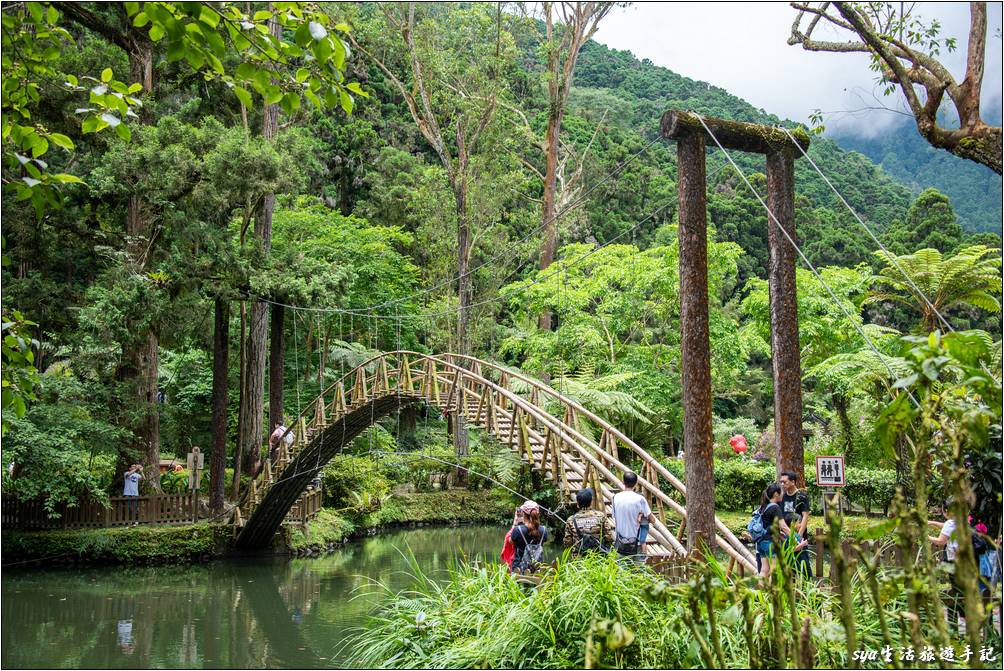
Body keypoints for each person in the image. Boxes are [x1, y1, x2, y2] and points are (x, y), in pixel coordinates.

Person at [755, 483, 807, 578]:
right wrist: (796, 540)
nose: (783, 494)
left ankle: (761, 592)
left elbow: (769, 525)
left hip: (760, 542)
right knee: (774, 571)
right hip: (770, 543)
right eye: (781, 492)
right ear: (776, 494)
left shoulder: (764, 506)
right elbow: (784, 527)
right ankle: (773, 593)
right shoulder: (775, 507)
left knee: (764, 570)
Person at [779, 471, 813, 577]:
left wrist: (799, 536)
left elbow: (805, 517)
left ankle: (807, 585)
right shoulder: (782, 497)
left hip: (799, 535)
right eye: (781, 482)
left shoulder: (801, 496)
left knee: (802, 561)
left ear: (793, 482)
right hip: (785, 536)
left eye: (785, 482)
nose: (782, 484)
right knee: (788, 562)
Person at [612, 471, 652, 557]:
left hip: (620, 542)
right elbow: (651, 518)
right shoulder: (640, 499)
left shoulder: (615, 497)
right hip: (636, 543)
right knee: (638, 568)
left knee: (621, 568)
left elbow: (614, 517)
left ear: (623, 482)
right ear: (636, 483)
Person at [563, 488, 613, 555]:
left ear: (577, 503)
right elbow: (609, 537)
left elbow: (567, 543)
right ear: (591, 502)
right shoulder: (601, 516)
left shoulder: (571, 520)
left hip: (578, 559)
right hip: (598, 557)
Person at [510, 500, 548, 574]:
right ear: (537, 514)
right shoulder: (544, 530)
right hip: (537, 570)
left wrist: (515, 523)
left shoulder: (518, 529)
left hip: (519, 570)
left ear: (523, 513)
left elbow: (510, 541)